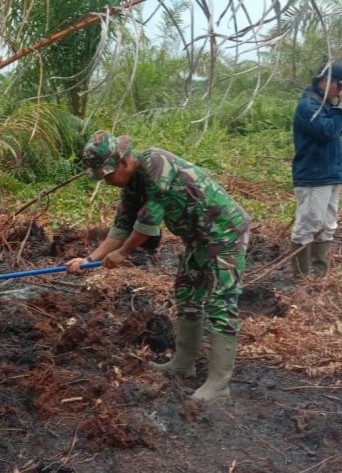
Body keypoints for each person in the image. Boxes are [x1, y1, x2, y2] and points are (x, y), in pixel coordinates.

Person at [66, 131, 251, 403]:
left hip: (225, 233)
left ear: (124, 162)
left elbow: (148, 222)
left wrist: (123, 253)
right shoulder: (131, 185)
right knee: (187, 295)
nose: (106, 181)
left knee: (221, 303)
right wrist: (89, 259)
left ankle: (218, 385)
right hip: (197, 239)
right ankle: (184, 363)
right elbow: (122, 226)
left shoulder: (155, 162)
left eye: (108, 175)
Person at [290, 61, 342, 278]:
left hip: (331, 174)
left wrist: (341, 107)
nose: (340, 90)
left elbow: (336, 131)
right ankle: (300, 279)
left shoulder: (326, 106)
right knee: (308, 226)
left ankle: (319, 277)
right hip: (314, 176)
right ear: (326, 81)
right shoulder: (308, 105)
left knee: (327, 226)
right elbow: (327, 131)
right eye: (339, 84)